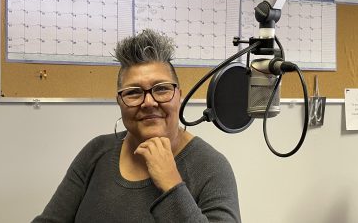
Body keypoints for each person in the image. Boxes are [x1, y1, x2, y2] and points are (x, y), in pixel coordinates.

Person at [32, 29, 241, 223]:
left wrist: (171, 184)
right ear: (120, 102)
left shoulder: (210, 167)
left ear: (179, 95)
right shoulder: (96, 152)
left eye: (161, 89)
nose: (149, 102)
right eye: (133, 92)